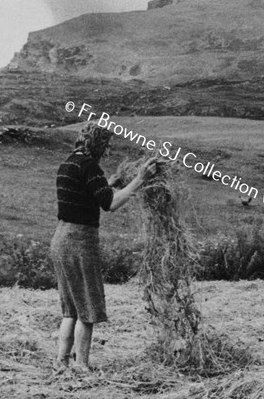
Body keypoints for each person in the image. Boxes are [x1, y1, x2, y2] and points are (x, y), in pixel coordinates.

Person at [49, 122, 158, 372]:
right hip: (79, 242)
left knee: (71, 309)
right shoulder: (89, 165)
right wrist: (140, 179)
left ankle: (62, 362)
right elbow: (110, 204)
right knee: (88, 308)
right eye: (106, 145)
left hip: (61, 239)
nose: (108, 150)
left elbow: (89, 194)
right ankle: (82, 366)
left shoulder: (68, 163)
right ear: (97, 143)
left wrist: (110, 182)